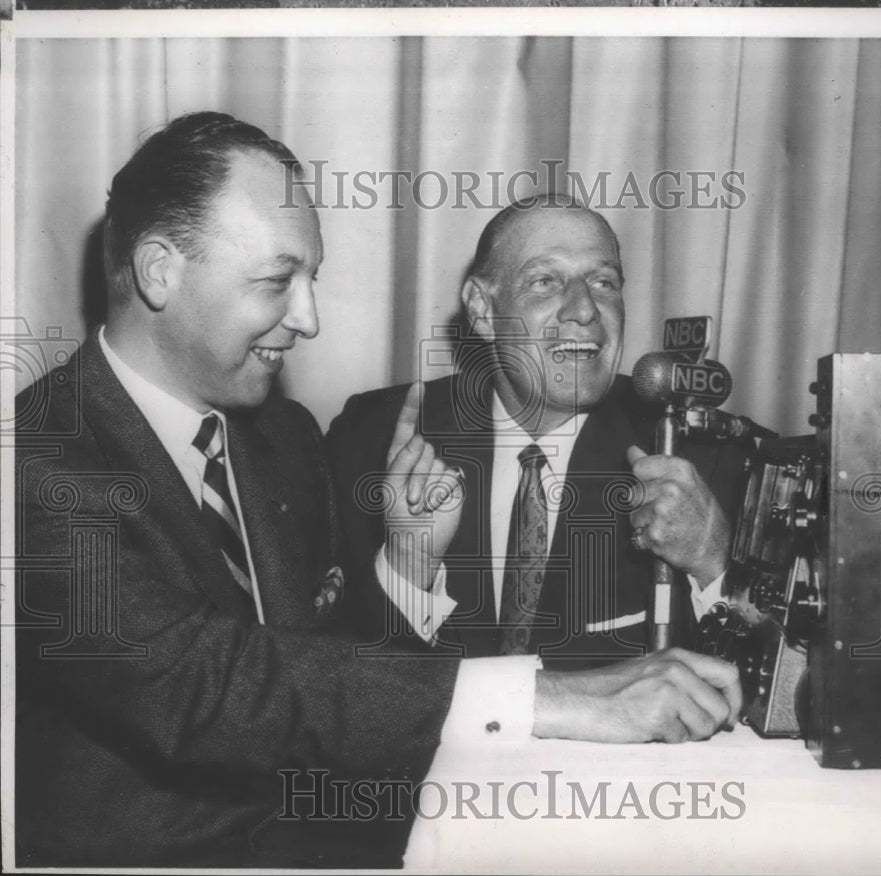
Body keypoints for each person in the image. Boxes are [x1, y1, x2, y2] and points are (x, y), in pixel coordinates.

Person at [14, 114, 741, 870]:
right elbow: (209, 687)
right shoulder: (33, 464)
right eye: (276, 280)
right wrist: (561, 697)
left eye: (312, 280)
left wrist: (409, 565)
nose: (310, 318)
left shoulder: (283, 439)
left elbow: (337, 674)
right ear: (160, 271)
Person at [326, 195, 750, 667]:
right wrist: (409, 568)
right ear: (483, 310)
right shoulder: (373, 438)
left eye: (603, 282)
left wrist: (714, 564)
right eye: (545, 281)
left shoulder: (698, 458)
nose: (585, 310)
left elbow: (770, 684)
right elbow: (331, 679)